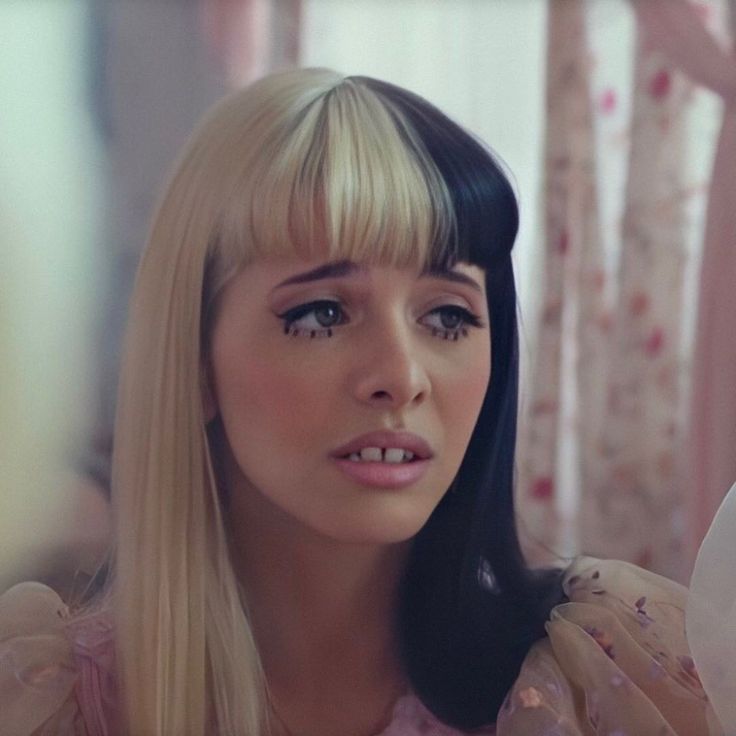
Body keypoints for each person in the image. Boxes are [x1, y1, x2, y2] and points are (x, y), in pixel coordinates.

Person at [0, 68, 725, 735]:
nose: (401, 376)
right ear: (193, 363)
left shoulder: (615, 677)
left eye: (448, 317)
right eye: (321, 314)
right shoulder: (45, 704)